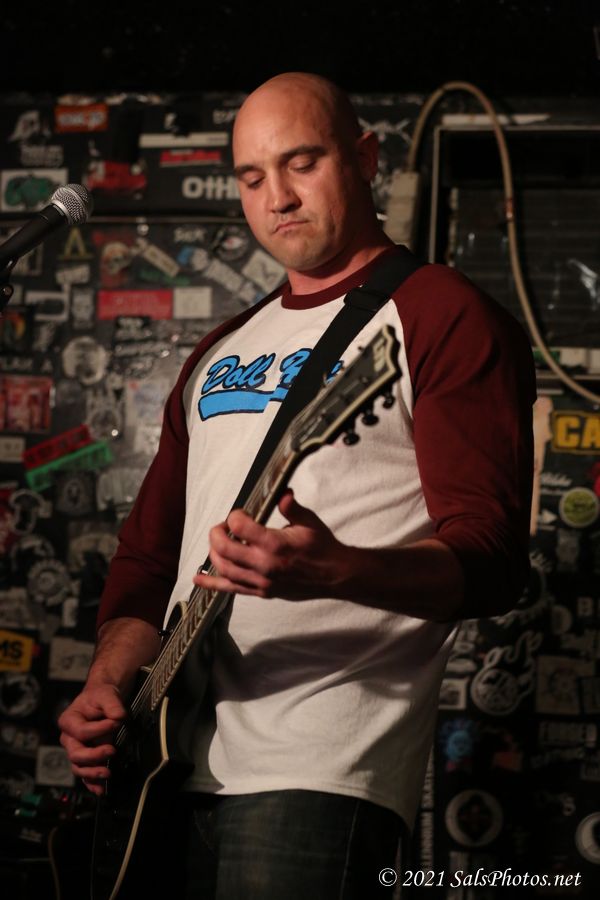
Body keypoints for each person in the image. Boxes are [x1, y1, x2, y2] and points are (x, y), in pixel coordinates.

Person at [59, 72, 536, 899]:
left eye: (302, 163)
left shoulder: (439, 312)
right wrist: (108, 686)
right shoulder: (223, 346)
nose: (276, 197)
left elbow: (490, 560)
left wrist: (334, 569)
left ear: (366, 158)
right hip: (160, 766)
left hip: (318, 770)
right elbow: (147, 560)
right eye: (251, 177)